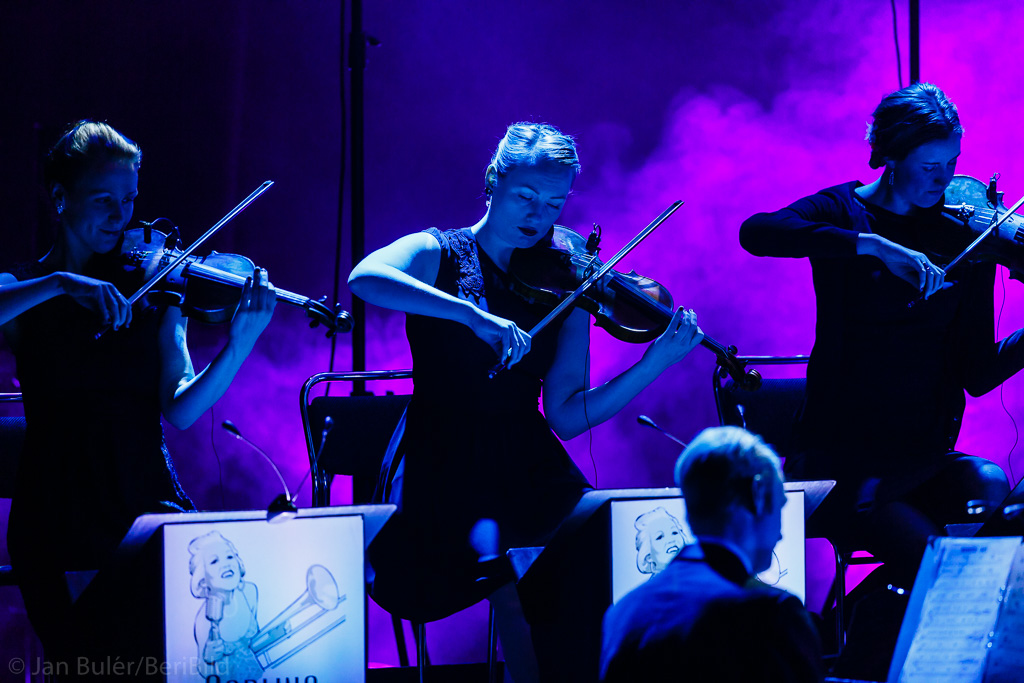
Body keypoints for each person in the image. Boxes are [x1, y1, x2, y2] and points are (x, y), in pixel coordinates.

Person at [348, 122, 703, 680]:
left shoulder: (568, 281)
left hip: (526, 456)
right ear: (493, 181)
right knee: (516, 587)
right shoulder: (439, 251)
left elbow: (566, 414)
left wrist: (652, 363)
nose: (538, 216)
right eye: (525, 197)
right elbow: (366, 278)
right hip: (442, 457)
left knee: (598, 562)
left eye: (554, 203)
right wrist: (468, 312)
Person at [0, 120, 276, 658]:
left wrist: (239, 345)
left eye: (127, 200)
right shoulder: (27, 294)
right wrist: (60, 283)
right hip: (59, 518)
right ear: (60, 198)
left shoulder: (156, 287)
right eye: (102, 199)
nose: (119, 217)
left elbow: (181, 408)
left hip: (146, 511)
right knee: (92, 663)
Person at [600, 426, 823, 682]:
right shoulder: (768, 611)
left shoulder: (622, 614)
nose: (781, 534)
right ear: (758, 494)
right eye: (780, 506)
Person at [189, 531, 262, 679]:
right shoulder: (203, 621)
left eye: (229, 556)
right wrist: (208, 659)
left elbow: (254, 644)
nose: (226, 564)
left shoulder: (250, 592)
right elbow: (204, 671)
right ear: (203, 579)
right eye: (214, 561)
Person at [634, 506, 691, 576]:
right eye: (659, 537)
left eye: (674, 532)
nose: (671, 540)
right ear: (648, 557)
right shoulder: (654, 586)